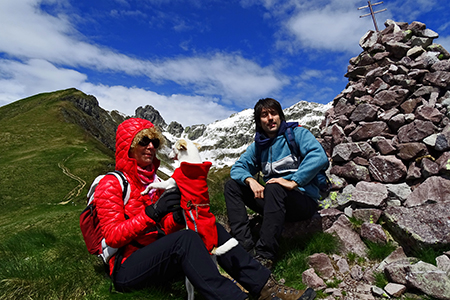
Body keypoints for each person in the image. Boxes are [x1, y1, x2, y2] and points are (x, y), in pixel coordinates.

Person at [94, 117, 316, 300]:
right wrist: (153, 212)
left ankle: (266, 287)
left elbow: (162, 231)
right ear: (128, 147)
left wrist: (180, 218)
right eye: (143, 141)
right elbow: (113, 237)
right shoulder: (111, 183)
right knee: (186, 240)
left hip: (156, 258)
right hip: (126, 268)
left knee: (209, 226)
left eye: (154, 141)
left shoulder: (154, 181)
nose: (151, 146)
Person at [225, 98, 329, 270]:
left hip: (302, 201)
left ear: (280, 116)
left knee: (274, 186)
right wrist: (250, 180)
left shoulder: (296, 134)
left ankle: (265, 256)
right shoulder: (258, 146)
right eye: (264, 115)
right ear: (259, 122)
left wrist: (294, 181)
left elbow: (318, 156)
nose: (270, 118)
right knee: (232, 186)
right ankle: (245, 246)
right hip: (274, 201)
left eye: (273, 113)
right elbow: (238, 167)